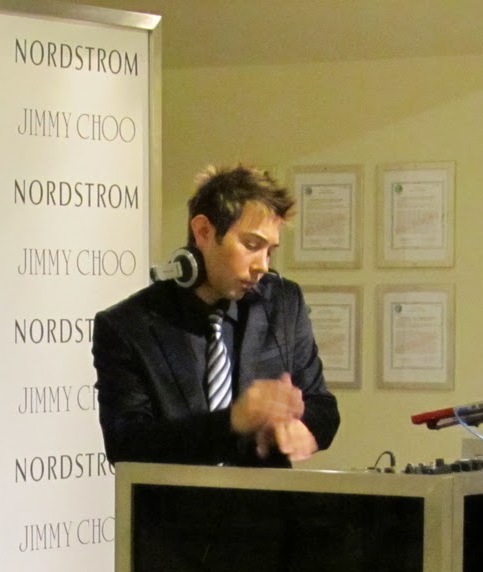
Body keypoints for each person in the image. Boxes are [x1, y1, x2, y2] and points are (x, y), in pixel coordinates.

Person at [93, 164, 340, 466]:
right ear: (203, 232)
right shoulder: (128, 327)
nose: (262, 265)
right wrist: (233, 421)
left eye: (269, 251)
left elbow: (323, 408)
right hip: (177, 498)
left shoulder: (284, 303)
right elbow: (126, 445)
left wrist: (300, 427)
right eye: (251, 245)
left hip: (264, 497)